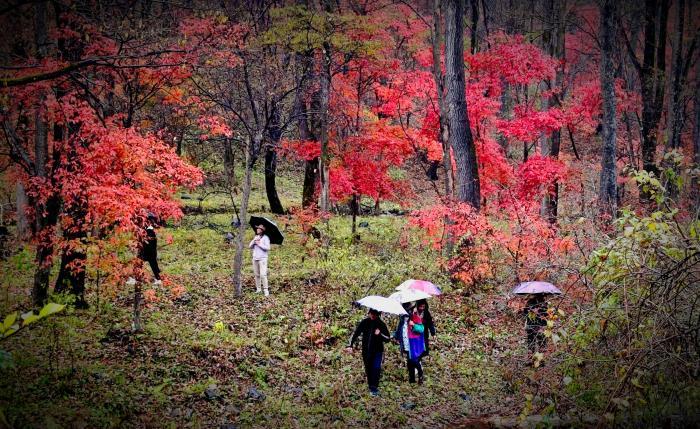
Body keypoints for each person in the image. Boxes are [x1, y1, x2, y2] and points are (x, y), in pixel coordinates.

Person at [347, 309, 391, 396]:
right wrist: (350, 345)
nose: (372, 316)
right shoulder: (365, 322)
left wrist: (380, 334)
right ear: (369, 313)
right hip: (366, 351)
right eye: (371, 313)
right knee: (368, 368)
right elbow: (356, 333)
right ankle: (371, 386)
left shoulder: (381, 324)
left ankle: (374, 388)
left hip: (378, 351)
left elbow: (388, 339)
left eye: (375, 314)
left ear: (378, 314)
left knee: (376, 368)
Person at [395, 299, 435, 384]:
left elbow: (421, 328)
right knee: (410, 361)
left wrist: (413, 325)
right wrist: (397, 336)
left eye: (407, 310)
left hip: (415, 341)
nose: (406, 312)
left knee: (413, 359)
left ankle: (420, 372)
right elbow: (399, 328)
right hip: (406, 342)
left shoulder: (415, 317)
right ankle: (412, 380)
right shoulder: (402, 319)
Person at [138, 213, 161, 285]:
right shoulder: (147, 229)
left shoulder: (150, 231)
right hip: (147, 251)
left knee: (152, 264)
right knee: (139, 263)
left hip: (149, 251)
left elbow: (149, 243)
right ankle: (137, 278)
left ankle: (158, 279)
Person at [249, 224, 271, 296]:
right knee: (256, 274)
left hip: (263, 259)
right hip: (255, 258)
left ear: (262, 231)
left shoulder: (266, 238)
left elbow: (268, 248)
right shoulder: (256, 237)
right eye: (257, 228)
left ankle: (266, 290)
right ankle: (258, 289)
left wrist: (259, 244)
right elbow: (250, 246)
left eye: (259, 229)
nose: (257, 229)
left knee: (263, 275)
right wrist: (254, 241)